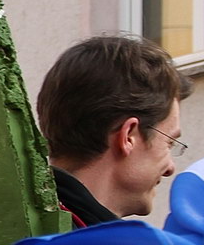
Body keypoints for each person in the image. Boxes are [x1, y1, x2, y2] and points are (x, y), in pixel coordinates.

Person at [36, 34, 192, 227]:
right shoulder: (96, 243)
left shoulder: (24, 222)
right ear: (128, 136)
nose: (170, 168)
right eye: (169, 143)